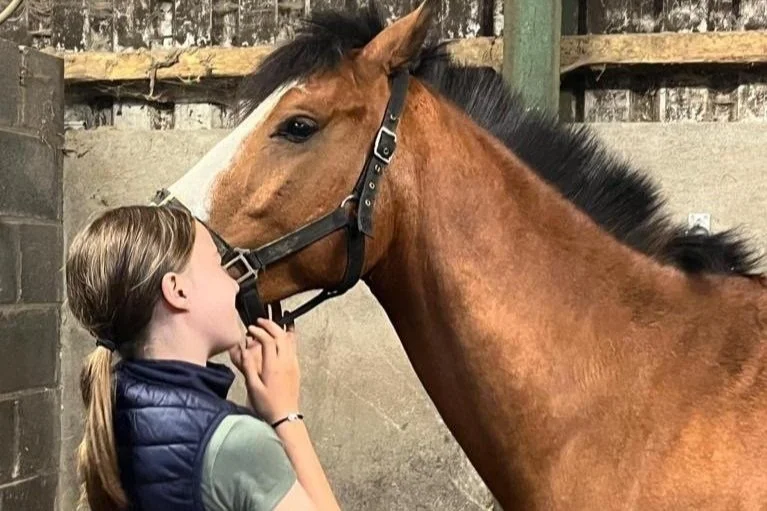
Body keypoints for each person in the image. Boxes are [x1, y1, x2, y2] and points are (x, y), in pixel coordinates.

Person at [65, 204, 341, 511]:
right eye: (218, 265)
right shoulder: (237, 443)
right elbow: (225, 461)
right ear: (178, 291)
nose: (235, 283)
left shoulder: (113, 406)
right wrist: (286, 415)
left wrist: (255, 412)